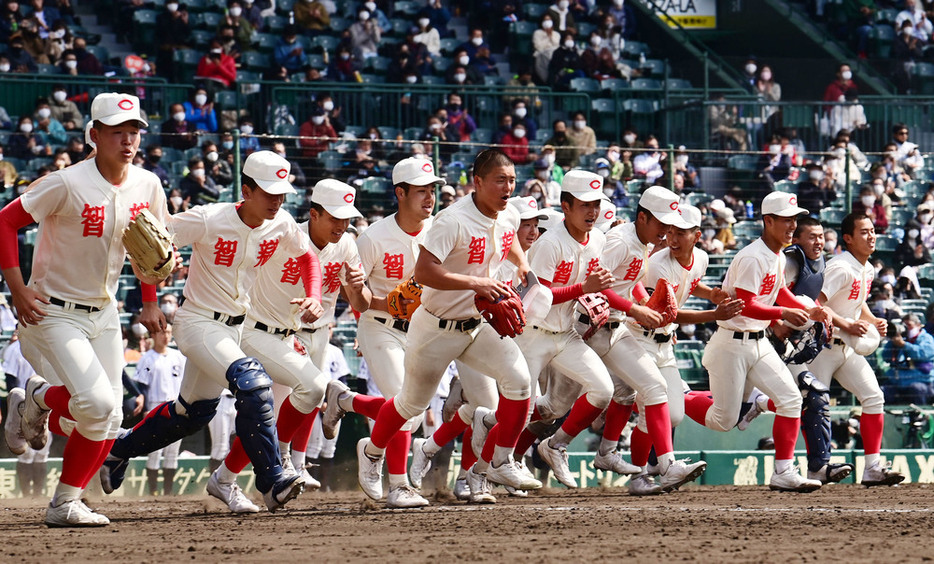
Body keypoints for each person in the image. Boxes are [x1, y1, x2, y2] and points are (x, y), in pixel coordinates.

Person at [101, 151, 321, 515]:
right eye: (268, 193)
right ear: (246, 190)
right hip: (199, 322)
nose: (277, 201)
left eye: (282, 194)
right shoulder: (208, 217)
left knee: (193, 414)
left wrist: (313, 294)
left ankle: (118, 450)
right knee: (252, 384)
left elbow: (307, 256)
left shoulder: (280, 222)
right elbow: (146, 241)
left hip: (235, 329)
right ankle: (273, 482)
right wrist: (150, 300)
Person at [0, 93, 170, 527]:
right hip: (52, 311)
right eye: (117, 131)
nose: (128, 140)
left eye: (134, 131)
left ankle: (64, 499)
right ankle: (36, 401)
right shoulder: (66, 182)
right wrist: (17, 288)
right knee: (96, 403)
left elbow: (149, 250)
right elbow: (5, 221)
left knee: (109, 417)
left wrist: (149, 303)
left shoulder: (148, 184)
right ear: (94, 135)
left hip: (104, 312)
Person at [355, 150, 542, 504]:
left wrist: (522, 265)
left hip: (476, 325)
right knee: (411, 404)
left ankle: (502, 460)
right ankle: (372, 450)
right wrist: (475, 284)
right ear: (478, 182)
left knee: (519, 384)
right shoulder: (451, 220)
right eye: (500, 181)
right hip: (435, 327)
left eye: (512, 181)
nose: (507, 188)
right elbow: (424, 273)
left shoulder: (509, 214)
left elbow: (509, 236)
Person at [682, 192, 830, 492]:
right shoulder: (752, 256)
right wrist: (785, 312)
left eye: (794, 220)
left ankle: (784, 472)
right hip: (731, 344)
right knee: (723, 421)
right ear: (768, 221)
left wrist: (806, 309)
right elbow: (746, 304)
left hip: (758, 342)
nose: (791, 226)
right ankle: (678, 396)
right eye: (786, 220)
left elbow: (777, 292)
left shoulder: (776, 254)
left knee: (791, 400)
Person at [322, 157, 442, 508]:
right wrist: (385, 302)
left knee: (413, 410)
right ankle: (399, 485)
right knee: (407, 405)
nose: (430, 197)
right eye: (422, 191)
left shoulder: (439, 230)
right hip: (380, 329)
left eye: (432, 190)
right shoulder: (373, 237)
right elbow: (356, 299)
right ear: (400, 193)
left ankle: (347, 401)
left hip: (421, 330)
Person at [625, 205, 743, 494]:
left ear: (697, 236)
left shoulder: (700, 258)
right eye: (671, 232)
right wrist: (713, 315)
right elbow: (667, 313)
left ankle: (644, 472)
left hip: (665, 344)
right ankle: (654, 470)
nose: (672, 238)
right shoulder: (657, 264)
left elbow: (691, 281)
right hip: (639, 339)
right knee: (649, 403)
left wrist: (709, 294)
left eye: (681, 233)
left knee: (674, 415)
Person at [134, 324, 186, 496]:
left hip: (175, 405)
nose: (166, 336)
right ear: (154, 335)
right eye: (163, 332)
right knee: (155, 450)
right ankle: (153, 492)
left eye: (169, 332)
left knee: (172, 451)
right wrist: (146, 408)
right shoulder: (147, 358)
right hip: (155, 405)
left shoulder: (178, 356)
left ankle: (168, 492)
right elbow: (141, 385)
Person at [3, 329, 49, 497]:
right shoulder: (15, 349)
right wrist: (16, 409)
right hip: (24, 404)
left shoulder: (48, 346)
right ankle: (26, 495)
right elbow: (10, 378)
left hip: (44, 405)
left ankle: (37, 495)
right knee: (25, 453)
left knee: (41, 452)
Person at [881, 313, 934, 405]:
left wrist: (904, 345)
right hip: (899, 380)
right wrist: (893, 342)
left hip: (921, 380)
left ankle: (920, 416)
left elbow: (923, 354)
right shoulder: (899, 339)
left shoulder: (927, 338)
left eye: (909, 325)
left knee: (916, 389)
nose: (906, 328)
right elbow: (886, 357)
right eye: (904, 325)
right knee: (882, 391)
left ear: (918, 325)